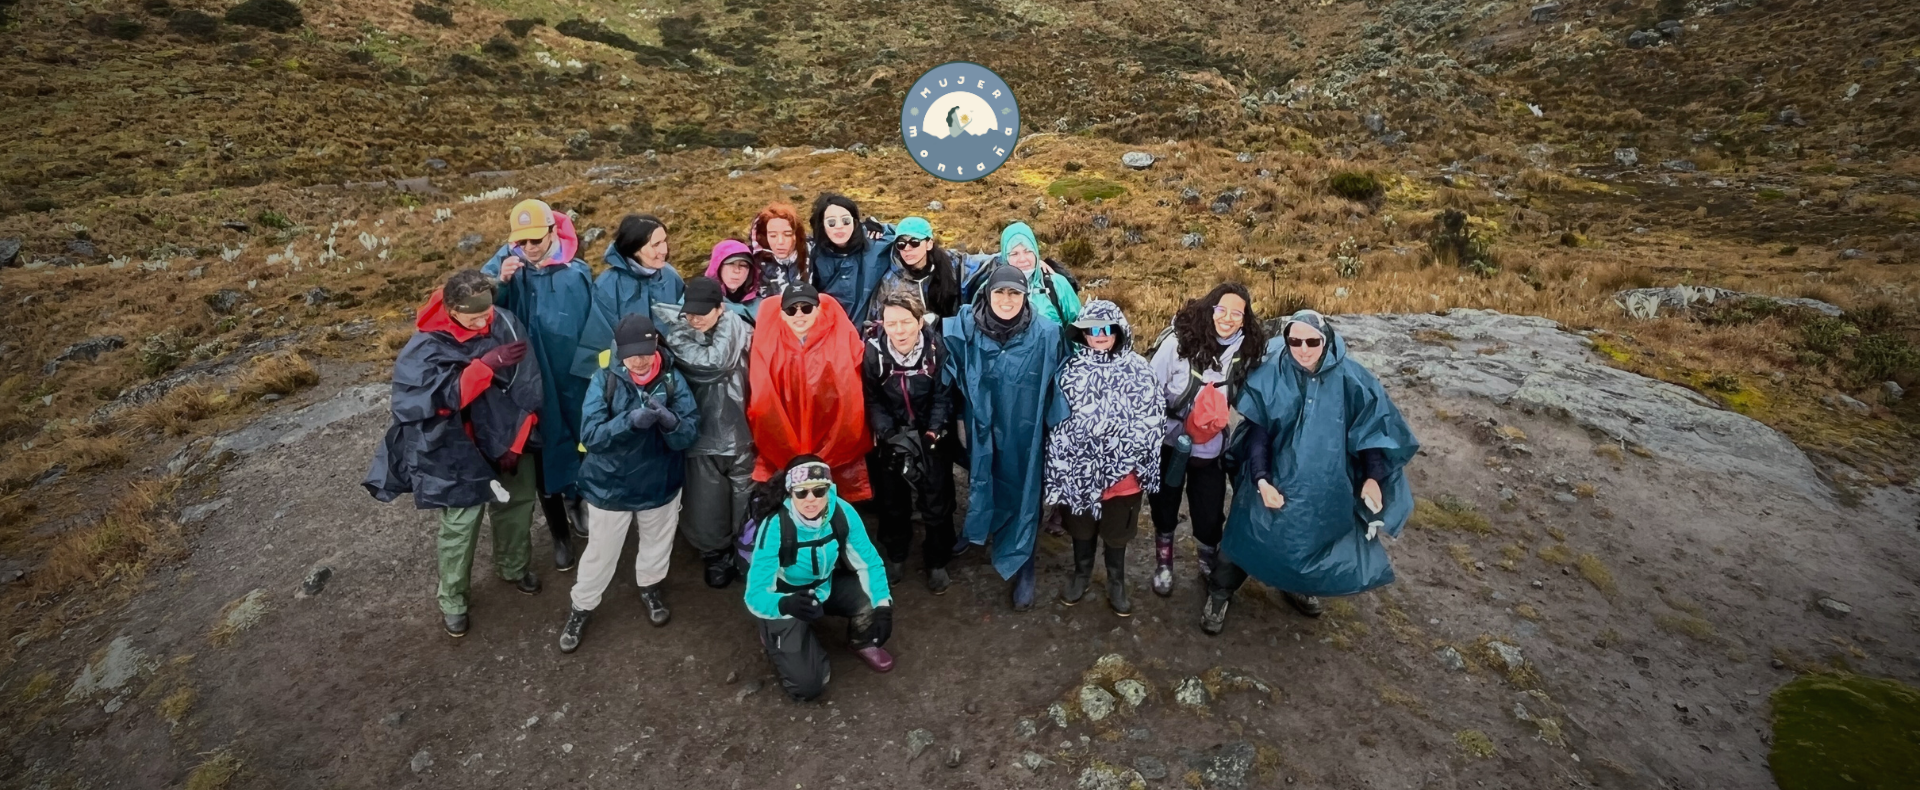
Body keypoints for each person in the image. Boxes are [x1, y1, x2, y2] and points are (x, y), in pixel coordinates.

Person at [1202, 310, 1418, 635]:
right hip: (1273, 473)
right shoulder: (1272, 374)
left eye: (1312, 342)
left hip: (1327, 482)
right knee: (1248, 531)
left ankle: (1295, 583)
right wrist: (1261, 480)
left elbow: (1371, 432)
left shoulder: (1352, 379)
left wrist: (1373, 478)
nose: (1303, 349)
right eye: (1295, 341)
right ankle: (1220, 592)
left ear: (1326, 340)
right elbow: (1259, 436)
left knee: (1311, 537)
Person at [364, 270, 544, 638]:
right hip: (456, 447)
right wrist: (484, 367)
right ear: (451, 310)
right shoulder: (425, 346)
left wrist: (515, 442)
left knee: (517, 503)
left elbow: (527, 383)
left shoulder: (505, 323)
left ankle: (513, 566)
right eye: (474, 317)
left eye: (487, 314)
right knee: (461, 523)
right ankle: (453, 599)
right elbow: (428, 404)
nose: (483, 323)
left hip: (507, 436)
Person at [558, 314, 701, 653]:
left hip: (659, 483)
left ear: (656, 345)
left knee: (657, 543)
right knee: (601, 552)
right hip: (610, 486)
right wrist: (629, 422)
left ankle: (650, 586)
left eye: (645, 352)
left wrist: (672, 423)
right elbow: (591, 436)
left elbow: (689, 435)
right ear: (619, 351)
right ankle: (582, 605)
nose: (638, 361)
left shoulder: (673, 380)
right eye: (631, 354)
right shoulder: (603, 379)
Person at [480, 198, 597, 573]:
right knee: (542, 450)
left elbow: (593, 329)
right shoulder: (506, 266)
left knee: (580, 440)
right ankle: (559, 534)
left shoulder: (576, 272)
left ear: (552, 232)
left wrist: (593, 374)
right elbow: (480, 309)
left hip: (572, 379)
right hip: (529, 381)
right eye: (522, 241)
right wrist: (500, 282)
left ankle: (577, 502)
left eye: (536, 239)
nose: (529, 248)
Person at [942, 265, 1063, 611]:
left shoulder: (1046, 334)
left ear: (1025, 295)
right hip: (980, 425)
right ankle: (977, 528)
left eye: (1014, 293)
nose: (1006, 300)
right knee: (983, 477)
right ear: (987, 294)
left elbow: (1060, 384)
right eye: (1000, 292)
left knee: (1025, 490)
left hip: (1026, 429)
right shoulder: (966, 327)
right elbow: (949, 370)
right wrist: (958, 419)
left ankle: (1023, 561)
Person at [1145, 283, 1268, 596]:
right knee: (1165, 503)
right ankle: (1164, 561)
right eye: (1221, 310)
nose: (1227, 318)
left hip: (1210, 446)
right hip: (1169, 441)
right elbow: (1148, 391)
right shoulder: (1176, 344)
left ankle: (1207, 559)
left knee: (1210, 509)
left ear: (1245, 319)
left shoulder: (1246, 352)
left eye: (1237, 313)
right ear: (1210, 309)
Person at [1043, 300, 1162, 616]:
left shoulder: (1140, 370)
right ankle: (1081, 573)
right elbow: (1057, 424)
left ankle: (1116, 580)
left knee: (1117, 531)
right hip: (1079, 473)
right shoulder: (1069, 371)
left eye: (1107, 328)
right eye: (1092, 329)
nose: (1100, 335)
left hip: (1124, 476)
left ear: (1119, 331)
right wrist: (1065, 464)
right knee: (1080, 527)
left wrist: (1133, 459)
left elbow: (1152, 421)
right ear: (1082, 333)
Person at [744, 456, 896, 701]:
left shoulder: (843, 512)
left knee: (873, 593)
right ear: (790, 492)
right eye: (801, 492)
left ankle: (862, 640)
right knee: (808, 686)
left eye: (819, 490)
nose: (811, 499)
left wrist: (883, 607)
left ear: (829, 489)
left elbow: (870, 563)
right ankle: (773, 631)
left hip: (825, 585)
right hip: (787, 596)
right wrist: (784, 604)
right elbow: (755, 594)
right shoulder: (775, 526)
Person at [653, 277, 756, 589]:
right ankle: (715, 555)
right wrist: (730, 322)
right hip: (702, 435)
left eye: (702, 312)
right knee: (706, 502)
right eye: (690, 312)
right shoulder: (680, 337)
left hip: (746, 432)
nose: (694, 318)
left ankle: (747, 551)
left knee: (746, 499)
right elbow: (714, 363)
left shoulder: (746, 330)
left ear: (720, 308)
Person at [861, 290, 958, 592]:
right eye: (891, 323)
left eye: (905, 322)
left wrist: (933, 432)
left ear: (919, 321)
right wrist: (888, 433)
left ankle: (937, 560)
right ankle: (895, 552)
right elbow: (872, 398)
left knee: (937, 498)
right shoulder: (873, 353)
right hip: (893, 434)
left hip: (930, 432)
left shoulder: (937, 350)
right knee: (892, 500)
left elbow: (944, 396)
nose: (899, 330)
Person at [747, 281, 874, 500]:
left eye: (806, 308)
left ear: (818, 309)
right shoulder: (769, 342)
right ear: (782, 314)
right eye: (791, 309)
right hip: (787, 426)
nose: (799, 315)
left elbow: (851, 387)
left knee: (834, 495)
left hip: (828, 426)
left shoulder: (839, 337)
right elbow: (762, 391)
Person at [963, 222, 1081, 326]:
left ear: (1036, 252)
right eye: (1014, 254)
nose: (1023, 259)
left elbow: (1078, 331)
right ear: (1005, 257)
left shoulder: (1057, 285)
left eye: (1028, 251)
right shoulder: (989, 289)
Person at [589, 213, 686, 337]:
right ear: (634, 248)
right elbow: (599, 339)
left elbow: (686, 322)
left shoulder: (670, 275)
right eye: (656, 244)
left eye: (664, 241)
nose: (664, 250)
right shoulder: (607, 287)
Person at [862, 216, 962, 329]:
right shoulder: (890, 282)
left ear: (929, 244)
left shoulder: (952, 265)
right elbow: (877, 320)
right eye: (901, 244)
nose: (907, 248)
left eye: (914, 242)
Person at [808, 192, 894, 324]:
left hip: (870, 331)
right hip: (832, 330)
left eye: (846, 221)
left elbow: (912, 234)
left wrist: (883, 228)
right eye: (831, 222)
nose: (839, 226)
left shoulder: (875, 246)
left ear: (855, 222)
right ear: (821, 225)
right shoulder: (813, 254)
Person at [747, 203, 808, 297]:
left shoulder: (814, 253)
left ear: (796, 235)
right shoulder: (753, 263)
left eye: (787, 234)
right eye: (773, 236)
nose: (780, 242)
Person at [704, 239, 761, 324]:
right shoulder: (699, 298)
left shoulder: (760, 305)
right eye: (730, 263)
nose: (737, 270)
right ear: (718, 266)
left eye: (743, 265)